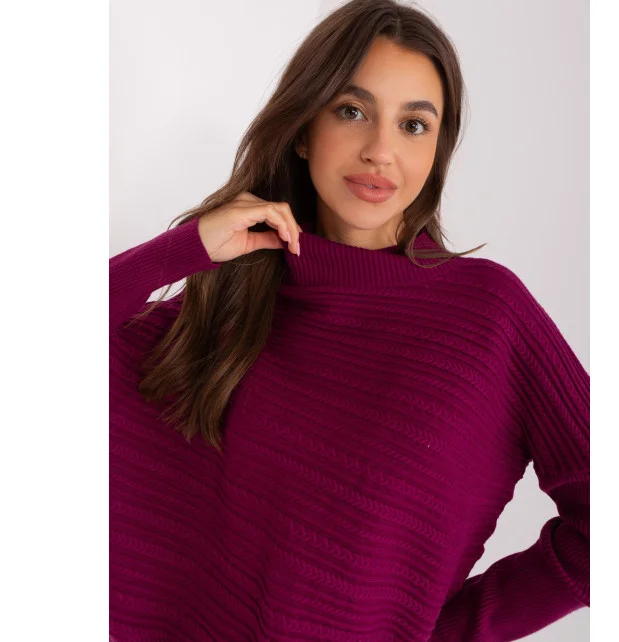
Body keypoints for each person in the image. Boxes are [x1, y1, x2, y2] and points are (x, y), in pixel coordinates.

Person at [110, 0, 590, 640]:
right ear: (303, 129)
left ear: (437, 150)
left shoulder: (489, 318)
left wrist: (448, 632)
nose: (381, 151)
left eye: (414, 125)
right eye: (352, 111)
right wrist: (184, 248)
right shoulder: (225, 310)